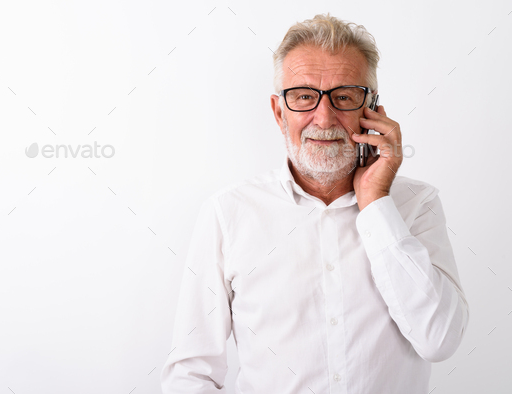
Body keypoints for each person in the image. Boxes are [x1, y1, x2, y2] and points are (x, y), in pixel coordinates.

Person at [160, 13, 469, 394]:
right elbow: (190, 375)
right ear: (279, 112)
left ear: (371, 109)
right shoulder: (228, 214)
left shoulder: (418, 204)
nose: (324, 118)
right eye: (304, 96)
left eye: (343, 97)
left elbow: (439, 340)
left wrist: (376, 204)